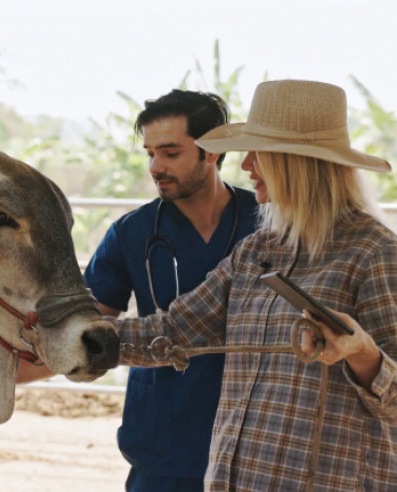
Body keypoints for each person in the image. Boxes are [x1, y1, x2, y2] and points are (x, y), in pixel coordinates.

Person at [116, 79, 397, 491]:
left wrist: (364, 355)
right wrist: (77, 338)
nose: (245, 166)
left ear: (296, 161)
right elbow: (174, 330)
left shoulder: (374, 253)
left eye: (257, 153)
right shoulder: (254, 252)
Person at [82, 90, 259, 492]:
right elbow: (90, 326)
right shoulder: (131, 233)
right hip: (163, 440)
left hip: (251, 438)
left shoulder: (266, 225)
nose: (155, 167)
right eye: (150, 153)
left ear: (211, 151)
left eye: (170, 153)